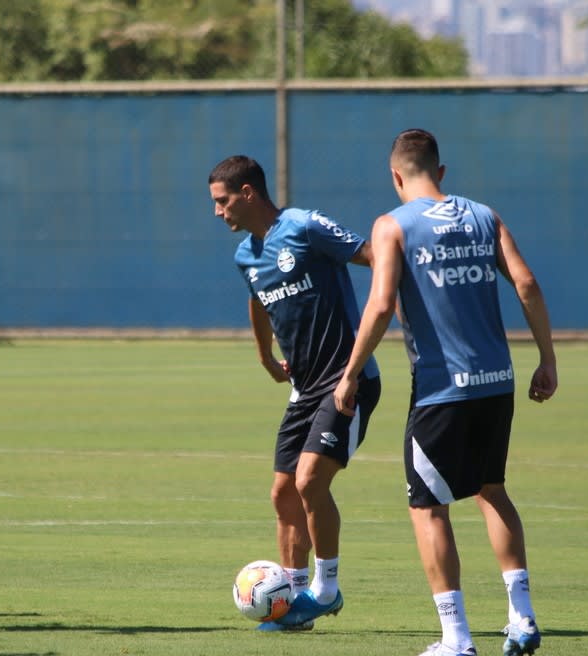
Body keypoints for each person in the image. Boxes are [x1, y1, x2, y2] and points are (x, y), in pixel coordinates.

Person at [334, 129, 557, 656]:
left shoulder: (392, 225)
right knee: (491, 490)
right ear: (441, 171)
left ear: (395, 175)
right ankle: (521, 618)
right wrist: (547, 358)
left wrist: (350, 373)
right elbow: (525, 284)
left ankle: (456, 638)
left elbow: (382, 303)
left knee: (428, 508)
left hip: (441, 391)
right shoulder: (485, 215)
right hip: (496, 384)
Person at [208, 155, 382, 631]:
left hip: (348, 380)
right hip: (304, 388)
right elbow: (257, 298)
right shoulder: (246, 254)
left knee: (309, 482)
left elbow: (373, 256)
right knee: (284, 493)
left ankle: (325, 591)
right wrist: (265, 357)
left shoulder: (304, 226)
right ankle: (288, 602)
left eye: (223, 202)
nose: (218, 212)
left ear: (248, 193)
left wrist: (396, 304)